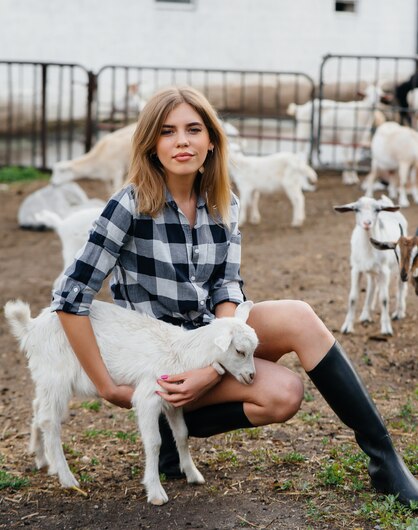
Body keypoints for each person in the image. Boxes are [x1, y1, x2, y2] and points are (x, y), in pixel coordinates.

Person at [51, 85, 418, 507]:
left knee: (298, 316)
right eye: (168, 132)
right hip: (160, 356)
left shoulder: (224, 204)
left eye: (193, 129)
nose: (183, 141)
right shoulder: (130, 205)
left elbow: (227, 287)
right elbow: (70, 296)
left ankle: (384, 459)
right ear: (151, 144)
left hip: (208, 339)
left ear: (211, 140)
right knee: (282, 393)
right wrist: (107, 386)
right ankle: (173, 433)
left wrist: (215, 365)